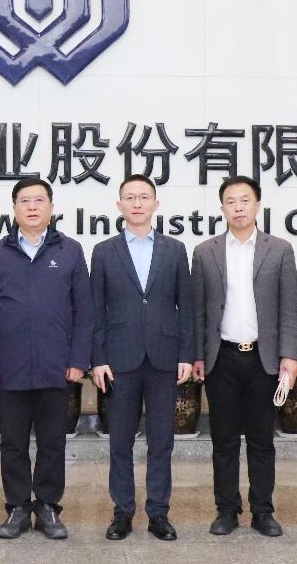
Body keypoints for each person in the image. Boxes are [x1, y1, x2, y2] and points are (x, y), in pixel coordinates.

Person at [0, 178, 92, 540]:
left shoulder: (70, 250)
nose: (31, 206)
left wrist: (79, 359)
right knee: (12, 443)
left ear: (51, 208)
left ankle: (47, 507)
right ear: (13, 208)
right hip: (9, 368)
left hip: (56, 366)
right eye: (24, 201)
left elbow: (84, 311)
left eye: (39, 200)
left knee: (52, 442)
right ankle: (17, 508)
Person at [192, 175, 297, 538]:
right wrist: (197, 356)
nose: (238, 207)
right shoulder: (205, 252)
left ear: (257, 205)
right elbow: (198, 311)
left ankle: (262, 511)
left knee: (261, 440)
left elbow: (288, 308)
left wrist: (290, 355)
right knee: (223, 440)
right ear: (222, 207)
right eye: (231, 201)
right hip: (221, 358)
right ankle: (227, 509)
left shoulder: (280, 249)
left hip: (263, 360)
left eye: (244, 200)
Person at [90, 174, 194, 542]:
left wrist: (187, 353)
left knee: (161, 441)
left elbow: (186, 306)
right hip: (120, 360)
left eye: (144, 197)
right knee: (120, 442)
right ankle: (122, 513)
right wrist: (98, 358)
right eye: (130, 197)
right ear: (119, 205)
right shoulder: (104, 251)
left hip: (164, 358)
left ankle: (158, 513)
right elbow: (95, 310)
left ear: (155, 204)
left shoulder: (174, 249)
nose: (137, 203)